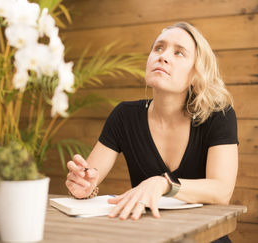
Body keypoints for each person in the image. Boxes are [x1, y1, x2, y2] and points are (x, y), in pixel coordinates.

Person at [65, 22, 238, 242]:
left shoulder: (218, 115)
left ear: (196, 74)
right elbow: (90, 177)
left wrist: (164, 183)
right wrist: (83, 187)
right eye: (159, 48)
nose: (163, 56)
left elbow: (221, 191)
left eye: (178, 53)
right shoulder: (124, 116)